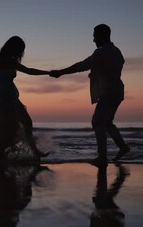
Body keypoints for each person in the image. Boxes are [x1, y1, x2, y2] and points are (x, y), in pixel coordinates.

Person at [50, 24, 130, 166]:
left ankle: (102, 157)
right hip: (117, 91)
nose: (93, 40)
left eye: (95, 36)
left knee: (97, 121)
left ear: (102, 35)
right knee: (106, 122)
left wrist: (60, 72)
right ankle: (122, 147)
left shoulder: (101, 52)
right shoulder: (116, 51)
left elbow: (81, 65)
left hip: (110, 92)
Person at [0, 36, 49, 165]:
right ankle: (31, 152)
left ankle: (7, 156)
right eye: (20, 50)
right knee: (21, 123)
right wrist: (48, 72)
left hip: (1, 96)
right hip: (7, 97)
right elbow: (29, 71)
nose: (21, 53)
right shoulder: (10, 62)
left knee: (10, 126)